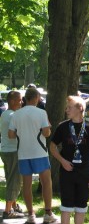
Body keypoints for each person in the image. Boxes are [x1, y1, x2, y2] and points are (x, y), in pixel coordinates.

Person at [8, 87, 58, 223]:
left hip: (23, 153)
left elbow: (11, 135)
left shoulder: (16, 114)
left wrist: (22, 132)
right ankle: (48, 213)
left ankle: (31, 215)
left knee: (27, 184)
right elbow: (47, 133)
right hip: (39, 152)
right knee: (46, 182)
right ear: (36, 98)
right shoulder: (41, 112)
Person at [50, 96, 89, 224]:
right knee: (66, 206)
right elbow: (52, 147)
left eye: (69, 107)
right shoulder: (63, 126)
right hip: (67, 172)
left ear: (80, 108)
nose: (66, 110)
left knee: (81, 206)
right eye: (66, 107)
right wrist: (62, 161)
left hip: (84, 172)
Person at [0, 91, 24, 219]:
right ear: (12, 101)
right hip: (14, 151)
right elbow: (16, 133)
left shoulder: (4, 114)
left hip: (5, 150)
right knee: (15, 181)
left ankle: (14, 206)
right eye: (19, 100)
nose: (21, 102)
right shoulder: (14, 116)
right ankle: (8, 211)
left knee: (10, 179)